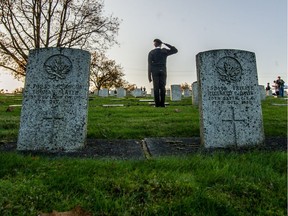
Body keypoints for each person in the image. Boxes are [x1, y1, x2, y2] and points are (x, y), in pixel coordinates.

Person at [148, 39, 178, 107]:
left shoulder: (151, 52)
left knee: (156, 88)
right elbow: (175, 50)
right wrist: (165, 44)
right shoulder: (164, 51)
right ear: (160, 44)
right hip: (163, 71)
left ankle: (157, 104)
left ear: (155, 44)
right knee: (162, 87)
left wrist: (149, 76)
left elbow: (149, 64)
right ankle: (162, 104)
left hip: (154, 71)